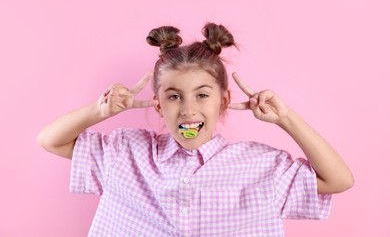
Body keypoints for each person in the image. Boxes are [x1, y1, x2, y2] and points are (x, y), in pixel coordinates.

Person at [37, 23, 354, 236]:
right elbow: (50, 140)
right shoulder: (125, 152)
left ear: (223, 101)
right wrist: (100, 110)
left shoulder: (263, 167)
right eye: (174, 97)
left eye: (202, 95)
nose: (188, 109)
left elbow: (339, 180)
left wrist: (286, 118)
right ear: (159, 104)